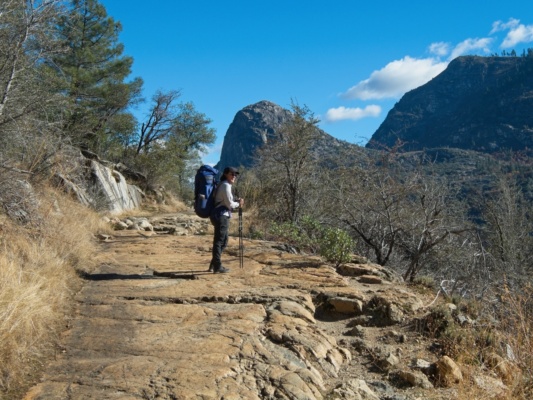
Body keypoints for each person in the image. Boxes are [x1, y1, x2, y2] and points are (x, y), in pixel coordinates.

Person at [208, 166, 244, 273]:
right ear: (225, 174)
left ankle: (214, 265)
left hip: (218, 215)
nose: (234, 176)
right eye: (232, 174)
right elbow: (229, 204)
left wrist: (235, 201)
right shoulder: (225, 186)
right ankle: (217, 266)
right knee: (220, 241)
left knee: (223, 241)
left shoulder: (222, 185)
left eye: (235, 174)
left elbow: (225, 200)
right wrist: (239, 204)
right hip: (221, 216)